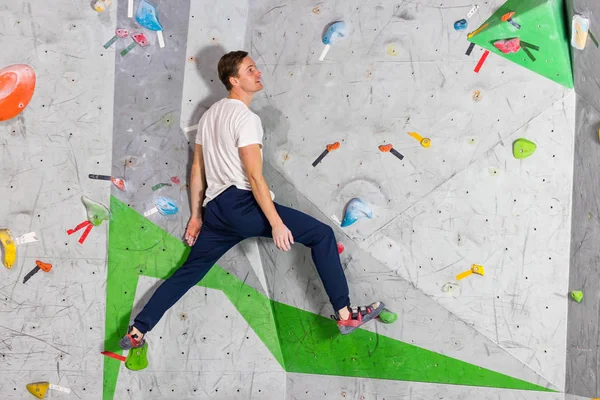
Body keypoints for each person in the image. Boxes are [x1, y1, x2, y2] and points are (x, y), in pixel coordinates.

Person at [119, 50, 384, 350]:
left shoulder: (209, 117)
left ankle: (139, 330)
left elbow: (197, 169)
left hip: (215, 210)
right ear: (234, 80)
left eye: (255, 67)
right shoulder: (245, 119)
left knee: (188, 272)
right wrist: (276, 223)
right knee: (322, 235)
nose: (257, 73)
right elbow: (255, 177)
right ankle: (346, 314)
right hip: (242, 204)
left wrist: (197, 215)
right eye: (249, 70)